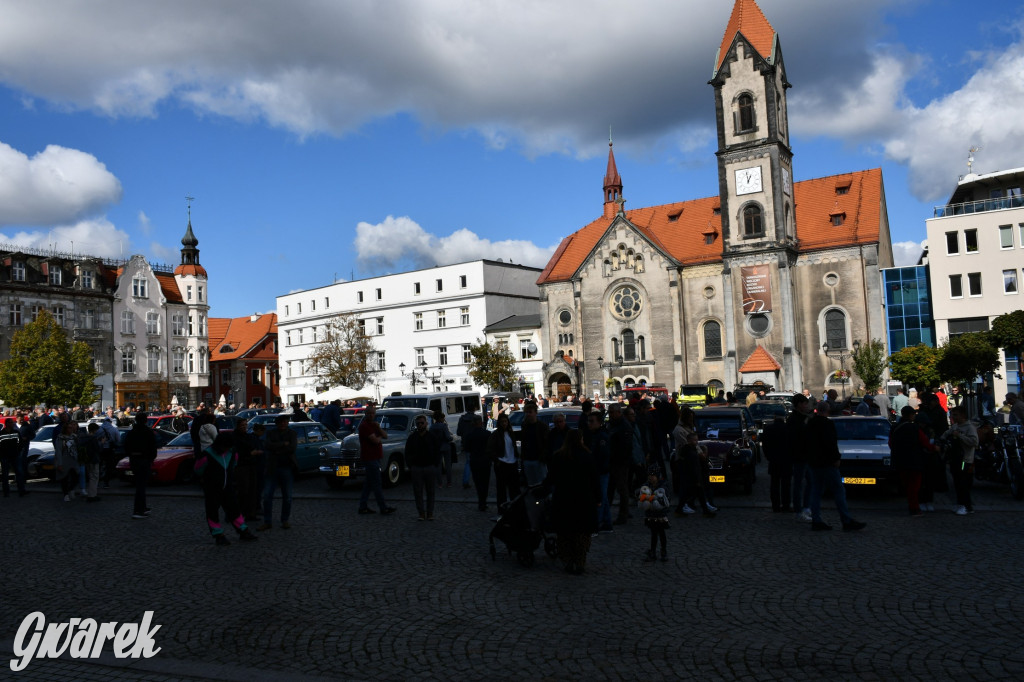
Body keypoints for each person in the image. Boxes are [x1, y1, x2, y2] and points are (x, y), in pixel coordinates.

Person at [806, 401, 866, 531]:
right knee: (838, 490)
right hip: (827, 463)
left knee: (816, 491)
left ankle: (816, 520)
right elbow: (830, 443)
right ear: (827, 411)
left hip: (814, 462)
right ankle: (846, 520)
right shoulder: (827, 424)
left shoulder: (810, 423)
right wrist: (836, 458)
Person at [546, 428, 599, 574]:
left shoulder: (559, 456)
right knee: (581, 534)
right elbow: (595, 479)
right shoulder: (587, 456)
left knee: (565, 534)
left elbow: (551, 478)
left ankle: (568, 561)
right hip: (583, 500)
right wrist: (598, 498)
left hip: (564, 500)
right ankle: (580, 562)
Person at [195, 432, 258, 545]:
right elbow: (198, 469)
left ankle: (243, 530)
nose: (226, 449)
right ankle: (218, 535)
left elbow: (234, 465)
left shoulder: (232, 452)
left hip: (227, 487)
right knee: (212, 511)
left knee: (234, 509)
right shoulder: (207, 454)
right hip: (212, 489)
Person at [889, 406, 935, 516]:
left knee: (907, 485)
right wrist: (933, 448)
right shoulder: (914, 428)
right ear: (910, 415)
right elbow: (924, 442)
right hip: (914, 460)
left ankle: (912, 506)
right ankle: (914, 507)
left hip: (900, 460)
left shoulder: (895, 427)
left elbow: (890, 443)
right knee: (914, 486)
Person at [260, 415, 298, 529]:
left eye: (285, 422)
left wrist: (275, 448)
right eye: (281, 422)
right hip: (272, 467)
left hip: (287, 467)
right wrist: (282, 444)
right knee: (267, 496)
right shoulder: (271, 433)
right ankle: (267, 521)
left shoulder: (292, 433)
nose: (283, 424)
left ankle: (285, 520)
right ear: (277, 423)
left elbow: (292, 448)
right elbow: (267, 445)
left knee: (287, 497)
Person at [357, 404, 396, 515]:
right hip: (370, 458)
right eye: (369, 413)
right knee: (377, 484)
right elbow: (376, 440)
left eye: (372, 413)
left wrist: (378, 429)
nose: (371, 415)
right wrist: (379, 435)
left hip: (375, 457)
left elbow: (386, 435)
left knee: (369, 484)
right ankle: (383, 507)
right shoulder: (364, 426)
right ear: (365, 414)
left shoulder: (373, 425)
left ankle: (363, 506)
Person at [942, 407, 979, 515]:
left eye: (955, 415)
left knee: (963, 484)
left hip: (965, 460)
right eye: (953, 415)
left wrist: (960, 436)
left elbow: (974, 442)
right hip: (955, 459)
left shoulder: (970, 427)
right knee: (957, 483)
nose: (953, 417)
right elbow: (945, 434)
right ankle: (960, 504)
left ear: (963, 415)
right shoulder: (955, 426)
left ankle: (966, 506)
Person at [406, 414, 441, 520]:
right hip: (417, 468)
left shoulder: (432, 437)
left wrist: (435, 464)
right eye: (418, 423)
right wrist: (411, 465)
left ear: (426, 423)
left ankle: (430, 513)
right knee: (418, 492)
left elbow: (437, 451)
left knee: (431, 492)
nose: (420, 425)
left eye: (422, 423)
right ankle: (421, 513)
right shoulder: (412, 437)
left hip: (430, 467)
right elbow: (407, 452)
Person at [123, 412, 156, 518]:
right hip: (144, 460)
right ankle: (138, 510)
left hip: (134, 460)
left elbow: (126, 447)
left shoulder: (131, 432)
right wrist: (150, 459)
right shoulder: (148, 432)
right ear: (146, 420)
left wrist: (132, 456)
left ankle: (143, 507)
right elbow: (153, 448)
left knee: (140, 485)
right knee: (141, 486)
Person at [787, 394, 813, 522]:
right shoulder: (794, 419)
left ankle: (806, 507)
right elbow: (796, 438)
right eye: (804, 404)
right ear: (798, 405)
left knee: (810, 482)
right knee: (799, 484)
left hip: (806, 455)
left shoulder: (804, 417)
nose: (807, 406)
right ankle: (799, 510)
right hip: (799, 456)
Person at [487, 413, 520, 509]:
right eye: (502, 422)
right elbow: (489, 450)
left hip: (512, 463)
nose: (504, 424)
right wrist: (497, 460)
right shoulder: (495, 434)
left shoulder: (511, 433)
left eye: (505, 421)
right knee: (501, 490)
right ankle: (502, 509)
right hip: (502, 463)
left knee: (514, 489)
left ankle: (515, 509)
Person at [605, 405, 630, 529]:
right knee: (610, 489)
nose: (610, 414)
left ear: (618, 412)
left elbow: (625, 446)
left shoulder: (623, 426)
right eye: (609, 412)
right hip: (611, 461)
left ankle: (623, 514)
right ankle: (606, 514)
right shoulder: (612, 424)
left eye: (612, 412)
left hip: (620, 462)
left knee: (621, 489)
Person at [233, 418, 263, 522]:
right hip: (241, 466)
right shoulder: (235, 437)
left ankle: (251, 514)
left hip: (251, 465)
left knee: (252, 490)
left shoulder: (248, 436)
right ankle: (236, 514)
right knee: (242, 491)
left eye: (245, 425)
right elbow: (236, 452)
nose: (244, 427)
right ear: (237, 426)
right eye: (242, 425)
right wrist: (250, 453)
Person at [637, 476, 671, 562]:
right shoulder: (647, 486)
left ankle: (663, 552)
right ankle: (653, 552)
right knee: (654, 534)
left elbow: (665, 499)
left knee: (661, 533)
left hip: (660, 515)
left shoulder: (662, 486)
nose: (651, 478)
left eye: (653, 476)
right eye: (649, 476)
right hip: (651, 514)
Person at [761, 416, 790, 512]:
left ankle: (775, 505)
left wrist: (768, 456)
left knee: (774, 484)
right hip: (786, 460)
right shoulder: (787, 428)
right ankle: (786, 505)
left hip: (773, 460)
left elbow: (764, 445)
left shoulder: (769, 429)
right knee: (786, 485)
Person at [462, 415, 491, 511]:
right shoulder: (487, 434)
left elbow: (467, 448)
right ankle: (484, 501)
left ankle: (481, 501)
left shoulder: (470, 435)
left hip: (475, 461)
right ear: (481, 423)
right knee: (485, 482)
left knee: (478, 483)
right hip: (485, 461)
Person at [518, 401, 550, 487]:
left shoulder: (542, 426)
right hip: (528, 459)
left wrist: (543, 456)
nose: (528, 414)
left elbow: (546, 443)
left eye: (530, 412)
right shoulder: (524, 425)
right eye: (526, 412)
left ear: (535, 413)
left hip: (539, 460)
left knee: (541, 483)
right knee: (530, 484)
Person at [456, 401, 479, 489]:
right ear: (474, 409)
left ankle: (466, 481)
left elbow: (458, 432)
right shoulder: (477, 418)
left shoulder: (462, 418)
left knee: (468, 463)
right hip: (476, 443)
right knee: (478, 462)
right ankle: (478, 480)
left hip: (466, 443)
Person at [429, 410, 455, 487]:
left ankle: (439, 483)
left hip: (437, 447)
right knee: (448, 465)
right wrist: (451, 438)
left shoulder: (432, 427)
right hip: (446, 446)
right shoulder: (443, 426)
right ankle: (449, 482)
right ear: (440, 418)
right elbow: (448, 437)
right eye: (443, 418)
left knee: (438, 466)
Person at [79, 423, 102, 502]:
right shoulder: (93, 438)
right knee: (94, 477)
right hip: (94, 460)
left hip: (87, 459)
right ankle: (92, 495)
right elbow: (97, 449)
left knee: (91, 476)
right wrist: (101, 443)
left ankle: (91, 494)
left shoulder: (83, 437)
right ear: (95, 430)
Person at [0, 420, 21, 498]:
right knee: (5, 475)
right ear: (7, 424)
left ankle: (21, 490)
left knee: (19, 473)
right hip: (4, 456)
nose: (12, 424)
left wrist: (18, 451)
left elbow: (20, 443)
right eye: (11, 423)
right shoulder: (1, 433)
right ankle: (6, 492)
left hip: (15, 455)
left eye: (12, 423)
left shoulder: (16, 432)